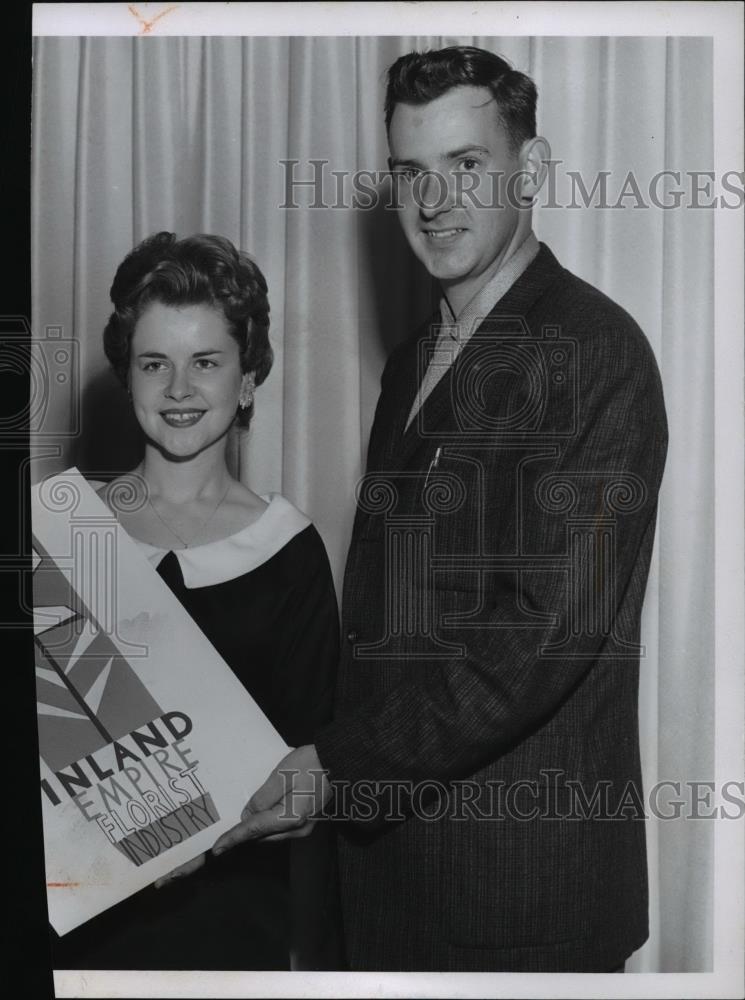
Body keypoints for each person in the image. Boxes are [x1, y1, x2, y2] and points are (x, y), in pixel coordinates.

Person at [212, 46, 669, 972]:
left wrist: (334, 769)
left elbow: (536, 640)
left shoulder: (597, 350)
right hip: (393, 884)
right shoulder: (415, 360)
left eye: (466, 167)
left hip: (517, 902)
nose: (434, 202)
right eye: (411, 174)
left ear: (530, 170)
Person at [50, 231, 341, 971]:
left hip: (230, 930)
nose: (179, 389)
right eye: (156, 364)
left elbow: (313, 764)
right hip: (77, 930)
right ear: (127, 377)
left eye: (205, 363)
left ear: (246, 381)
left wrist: (225, 830)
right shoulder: (61, 530)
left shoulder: (289, 549)